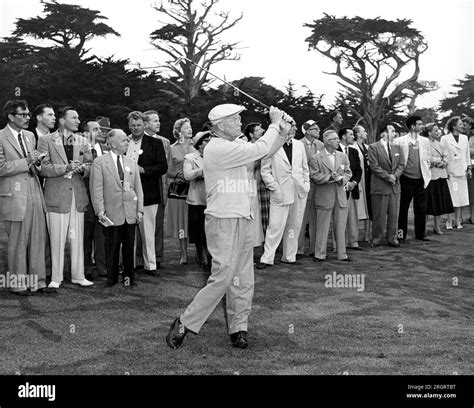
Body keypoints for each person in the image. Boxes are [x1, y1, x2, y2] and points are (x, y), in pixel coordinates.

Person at [165, 105, 292, 350]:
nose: (239, 122)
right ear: (220, 125)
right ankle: (184, 322)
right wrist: (275, 124)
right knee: (223, 276)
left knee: (243, 277)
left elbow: (265, 153)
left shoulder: (234, 146)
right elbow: (260, 147)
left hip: (244, 216)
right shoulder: (217, 147)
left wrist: (283, 133)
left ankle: (239, 328)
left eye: (239, 118)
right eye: (234, 119)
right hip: (222, 218)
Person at [0, 100, 54, 295]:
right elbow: (1, 167)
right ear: (11, 116)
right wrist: (27, 161)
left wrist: (37, 164)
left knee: (38, 239)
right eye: (22, 114)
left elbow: (35, 165)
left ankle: (38, 282)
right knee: (17, 243)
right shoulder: (0, 137)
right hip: (14, 196)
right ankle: (17, 284)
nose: (26, 118)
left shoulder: (30, 136)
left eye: (28, 114)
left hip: (34, 192)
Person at [38, 106, 94, 288]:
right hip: (56, 197)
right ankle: (56, 277)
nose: (78, 121)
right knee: (56, 239)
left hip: (77, 196)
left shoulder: (83, 141)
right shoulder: (46, 141)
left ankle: (78, 275)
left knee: (77, 238)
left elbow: (90, 164)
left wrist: (82, 169)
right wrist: (66, 168)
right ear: (63, 121)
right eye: (74, 118)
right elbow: (43, 168)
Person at [90, 129, 144, 287]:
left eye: (127, 140)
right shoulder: (100, 162)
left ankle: (128, 279)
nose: (127, 142)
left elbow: (138, 189)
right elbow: (96, 189)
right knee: (111, 248)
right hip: (110, 214)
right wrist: (100, 212)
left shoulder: (131, 162)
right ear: (112, 143)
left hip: (129, 213)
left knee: (129, 249)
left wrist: (139, 210)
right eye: (123, 140)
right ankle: (112, 279)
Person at [257, 123, 310, 269]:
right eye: (292, 126)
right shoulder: (273, 145)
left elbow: (305, 168)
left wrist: (306, 185)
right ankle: (267, 258)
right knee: (275, 225)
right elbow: (265, 171)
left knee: (295, 225)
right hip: (279, 191)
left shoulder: (299, 145)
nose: (295, 128)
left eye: (294, 126)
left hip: (299, 191)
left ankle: (289, 256)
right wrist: (274, 188)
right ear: (283, 128)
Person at [125, 111, 167, 276]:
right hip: (127, 193)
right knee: (128, 230)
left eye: (139, 125)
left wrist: (144, 170)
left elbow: (163, 167)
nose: (136, 128)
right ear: (129, 126)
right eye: (133, 126)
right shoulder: (124, 141)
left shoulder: (155, 143)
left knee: (148, 230)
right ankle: (130, 264)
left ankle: (151, 265)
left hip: (149, 193)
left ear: (145, 125)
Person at [310, 130, 352, 262]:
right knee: (322, 227)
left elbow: (348, 172)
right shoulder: (316, 158)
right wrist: (329, 177)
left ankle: (342, 254)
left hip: (340, 197)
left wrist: (342, 178)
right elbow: (314, 176)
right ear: (327, 141)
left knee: (340, 227)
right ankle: (319, 254)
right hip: (324, 197)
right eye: (335, 139)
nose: (338, 141)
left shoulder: (342, 156)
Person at [393, 115, 431, 242]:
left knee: (421, 208)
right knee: (402, 208)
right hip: (405, 179)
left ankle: (420, 234)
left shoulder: (425, 141)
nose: (422, 126)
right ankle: (400, 235)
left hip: (421, 179)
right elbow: (396, 160)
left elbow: (428, 158)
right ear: (413, 126)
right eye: (419, 124)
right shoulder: (399, 141)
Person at [367, 124, 405, 247]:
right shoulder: (373, 147)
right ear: (384, 133)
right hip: (380, 186)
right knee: (379, 215)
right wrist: (388, 177)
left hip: (394, 187)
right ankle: (377, 238)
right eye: (392, 131)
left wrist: (395, 176)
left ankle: (392, 238)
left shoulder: (398, 147)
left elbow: (402, 164)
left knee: (394, 215)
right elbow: (374, 166)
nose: (395, 133)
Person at [143, 110, 171, 269]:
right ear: (145, 124)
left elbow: (167, 168)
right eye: (154, 121)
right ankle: (140, 259)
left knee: (158, 224)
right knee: (142, 225)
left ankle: (157, 257)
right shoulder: (135, 141)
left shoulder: (165, 142)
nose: (158, 123)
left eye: (158, 120)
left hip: (161, 187)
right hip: (144, 187)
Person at [81, 118, 108, 280]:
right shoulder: (80, 149)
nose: (100, 132)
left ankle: (103, 267)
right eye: (95, 129)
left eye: (100, 129)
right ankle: (85, 268)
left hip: (105, 198)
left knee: (103, 234)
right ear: (85, 133)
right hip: (85, 197)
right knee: (86, 234)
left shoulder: (106, 149)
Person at [167, 118, 196, 265]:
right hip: (179, 190)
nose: (190, 129)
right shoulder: (172, 148)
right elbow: (168, 171)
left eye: (190, 127)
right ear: (178, 131)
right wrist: (181, 175)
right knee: (181, 223)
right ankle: (183, 254)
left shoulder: (197, 145)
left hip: (196, 188)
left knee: (196, 221)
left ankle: (201, 253)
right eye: (186, 127)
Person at [183, 131, 212, 269]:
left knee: (210, 229)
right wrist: (201, 172)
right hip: (196, 199)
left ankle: (210, 253)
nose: (209, 143)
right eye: (206, 141)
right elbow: (187, 175)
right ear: (200, 144)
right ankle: (201, 253)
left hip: (211, 198)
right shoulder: (190, 157)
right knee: (198, 229)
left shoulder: (214, 156)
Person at [297, 120, 324, 257]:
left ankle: (314, 249)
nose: (318, 131)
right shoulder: (298, 144)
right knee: (301, 218)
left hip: (318, 187)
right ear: (307, 131)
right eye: (315, 129)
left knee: (316, 218)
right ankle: (298, 249)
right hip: (304, 186)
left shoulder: (321, 145)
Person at [440, 116, 471, 229]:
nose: (462, 126)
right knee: (452, 197)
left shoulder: (464, 138)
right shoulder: (445, 138)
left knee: (461, 197)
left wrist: (469, 168)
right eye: (460, 124)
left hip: (462, 172)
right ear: (454, 126)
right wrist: (445, 171)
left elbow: (467, 155)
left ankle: (458, 221)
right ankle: (449, 220)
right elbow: (443, 155)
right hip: (451, 172)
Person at [423, 123, 454, 235]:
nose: (437, 133)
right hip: (430, 177)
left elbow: (446, 156)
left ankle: (437, 227)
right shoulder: (424, 143)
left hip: (440, 175)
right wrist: (437, 161)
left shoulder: (441, 144)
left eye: (438, 130)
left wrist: (444, 162)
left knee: (439, 202)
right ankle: (423, 227)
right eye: (435, 131)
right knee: (426, 203)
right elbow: (426, 158)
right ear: (429, 132)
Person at [337, 128, 362, 250]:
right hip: (339, 189)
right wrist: (344, 182)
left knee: (353, 217)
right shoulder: (335, 150)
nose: (354, 136)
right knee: (339, 218)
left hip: (352, 189)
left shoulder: (354, 151)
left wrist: (354, 182)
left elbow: (358, 170)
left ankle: (353, 242)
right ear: (343, 136)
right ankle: (338, 245)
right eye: (351, 134)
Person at [244, 122, 270, 239]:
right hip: (250, 186)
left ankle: (267, 243)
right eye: (258, 130)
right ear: (251, 134)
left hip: (264, 185)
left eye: (261, 129)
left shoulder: (265, 146)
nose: (262, 131)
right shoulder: (246, 148)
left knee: (266, 215)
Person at [352, 125, 372, 242]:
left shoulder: (368, 147)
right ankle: (354, 235)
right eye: (364, 131)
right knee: (357, 208)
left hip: (369, 181)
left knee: (369, 207)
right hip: (359, 181)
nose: (366, 133)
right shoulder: (352, 147)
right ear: (358, 134)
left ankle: (367, 235)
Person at [463, 116, 474, 223]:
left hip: (472, 167)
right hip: (461, 167)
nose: (463, 127)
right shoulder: (459, 136)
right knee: (460, 193)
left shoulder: (472, 136)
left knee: (472, 193)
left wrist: (464, 149)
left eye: (465, 125)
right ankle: (459, 217)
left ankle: (473, 216)